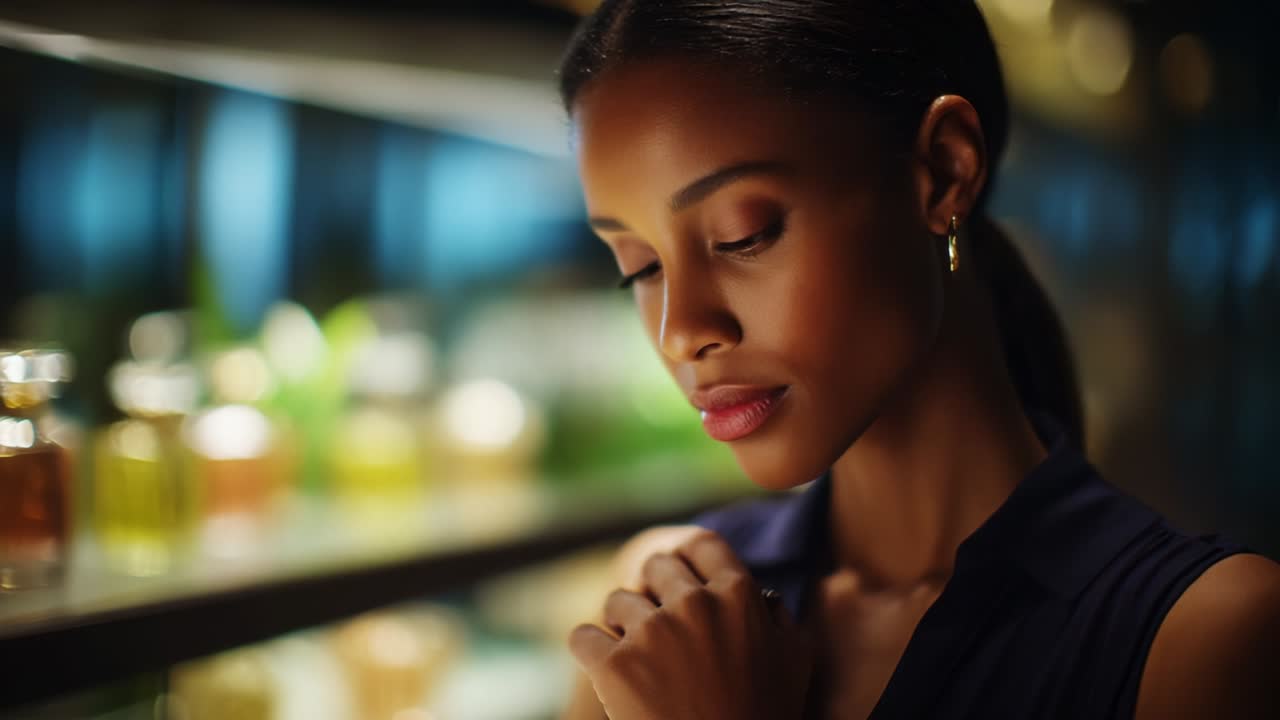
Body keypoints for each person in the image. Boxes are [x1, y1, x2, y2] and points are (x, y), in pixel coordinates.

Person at [555, 1, 1280, 718]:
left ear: (942, 168)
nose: (682, 331)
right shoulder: (666, 603)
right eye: (639, 266)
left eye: (745, 236)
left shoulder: (1208, 634)